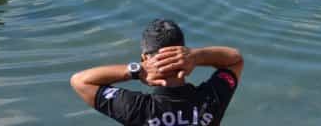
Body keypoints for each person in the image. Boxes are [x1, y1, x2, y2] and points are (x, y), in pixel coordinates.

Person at [70, 18, 244, 126]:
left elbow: (80, 81)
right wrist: (198, 56)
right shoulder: (210, 100)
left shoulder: (137, 109)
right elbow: (235, 60)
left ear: (145, 58)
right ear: (183, 52)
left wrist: (135, 70)